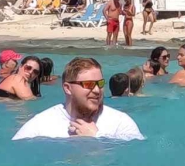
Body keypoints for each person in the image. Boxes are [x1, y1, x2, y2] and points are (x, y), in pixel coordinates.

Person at [12, 57, 144, 141]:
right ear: (68, 88)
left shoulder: (120, 123)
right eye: (89, 84)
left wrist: (97, 137)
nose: (97, 90)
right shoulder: (40, 125)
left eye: (100, 83)